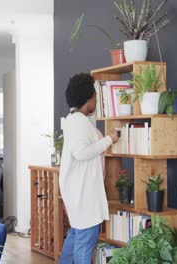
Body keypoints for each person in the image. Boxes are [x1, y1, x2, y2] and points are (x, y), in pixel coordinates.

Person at [59, 73, 118, 263]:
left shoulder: (75, 119)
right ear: (87, 98)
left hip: (78, 192)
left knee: (76, 234)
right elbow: (81, 152)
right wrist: (110, 139)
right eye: (94, 96)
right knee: (85, 240)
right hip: (82, 194)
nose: (96, 99)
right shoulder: (79, 122)